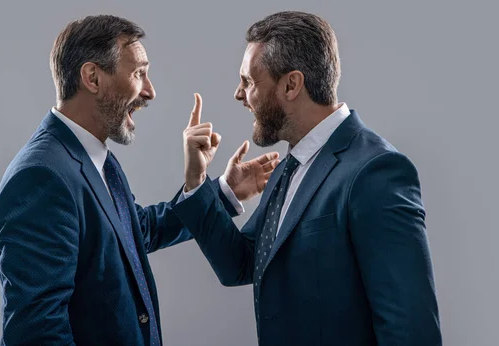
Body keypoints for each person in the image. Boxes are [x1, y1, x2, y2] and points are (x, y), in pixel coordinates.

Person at [0, 14, 278, 346]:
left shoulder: (97, 159)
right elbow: (36, 335)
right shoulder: (41, 177)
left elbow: (138, 230)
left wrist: (219, 190)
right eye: (139, 73)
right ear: (92, 78)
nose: (150, 91)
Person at [174, 11, 442, 345]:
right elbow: (240, 264)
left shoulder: (376, 172)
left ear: (291, 85)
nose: (239, 95)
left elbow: (411, 331)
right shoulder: (290, 166)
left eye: (249, 82)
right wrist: (197, 181)